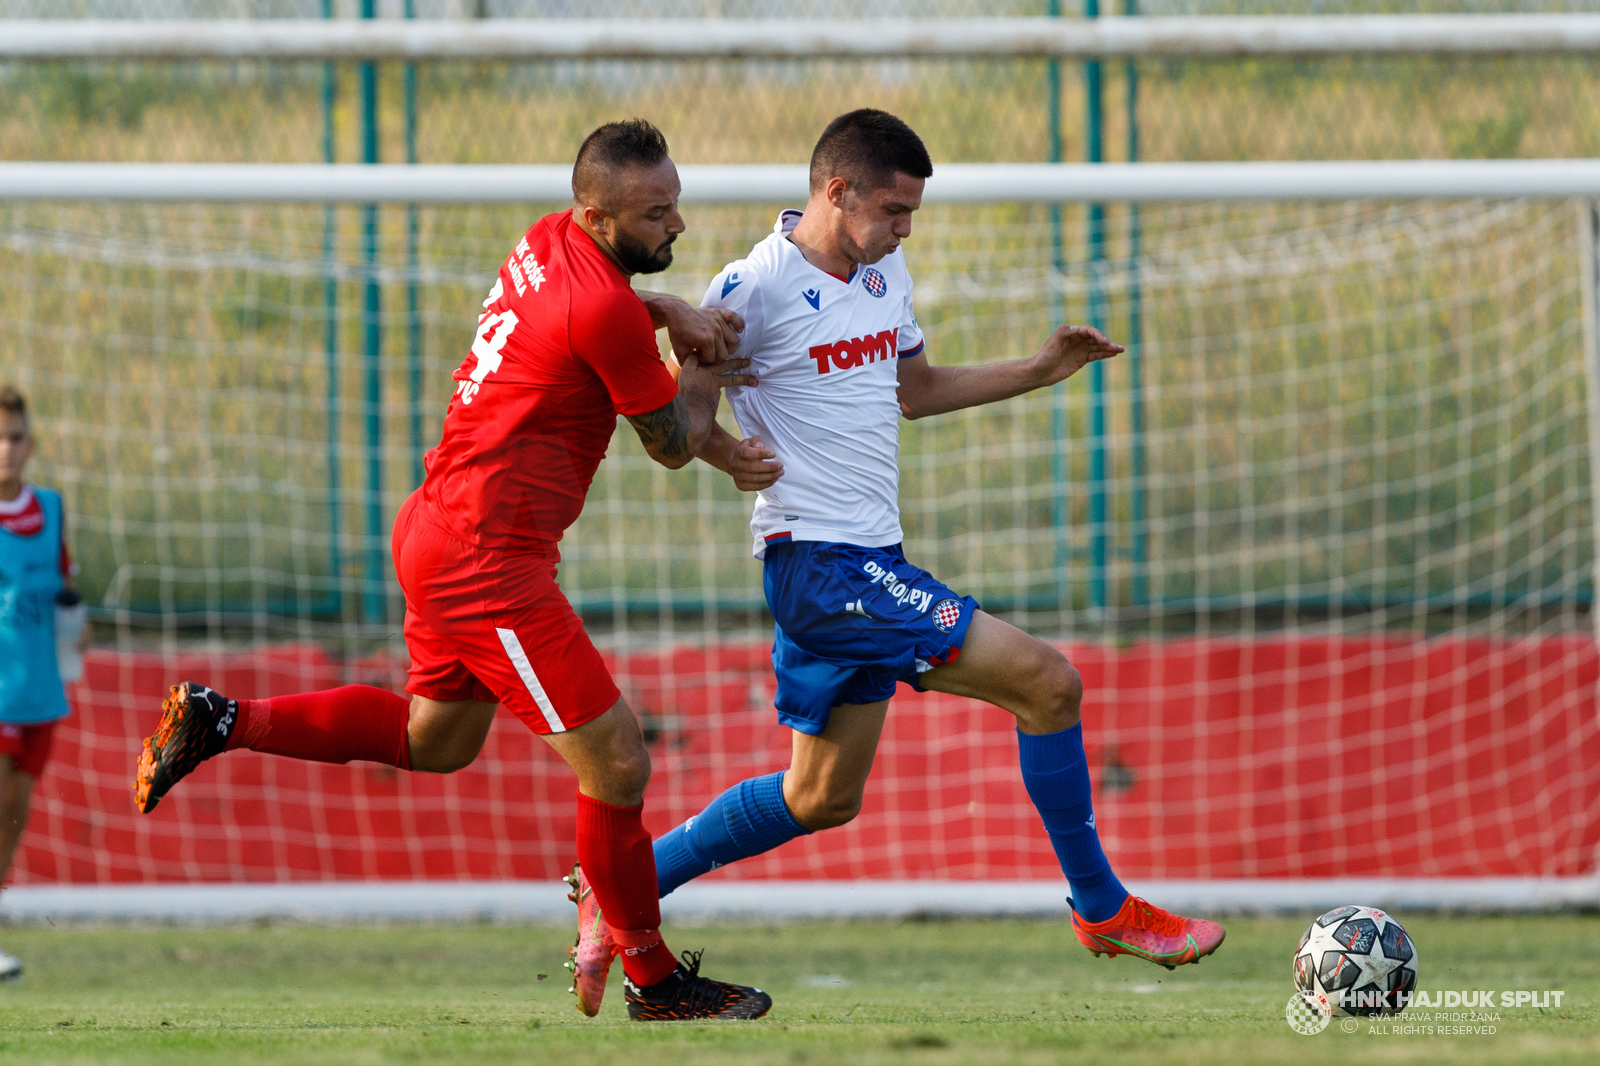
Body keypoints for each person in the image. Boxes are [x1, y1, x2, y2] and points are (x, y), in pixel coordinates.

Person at [565, 110, 1227, 1012]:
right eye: (894, 210)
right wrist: (716, 427)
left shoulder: (884, 272)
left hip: (867, 558)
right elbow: (678, 437)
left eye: (913, 212)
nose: (906, 228)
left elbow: (913, 391)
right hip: (819, 565)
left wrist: (1035, 371)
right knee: (1048, 683)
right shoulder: (749, 288)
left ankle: (620, 889)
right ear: (835, 193)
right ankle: (1101, 907)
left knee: (819, 797)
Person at [131, 120, 776, 1022]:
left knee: (438, 742)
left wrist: (667, 312)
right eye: (656, 213)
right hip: (487, 561)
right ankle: (653, 978)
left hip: (439, 528)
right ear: (597, 214)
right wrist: (705, 360)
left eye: (676, 203)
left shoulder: (550, 236)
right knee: (619, 761)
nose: (677, 226)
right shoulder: (600, 305)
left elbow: (606, 323)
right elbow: (669, 441)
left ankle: (223, 719)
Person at [0, 385, 90, 982]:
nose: (5, 448)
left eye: (14, 437)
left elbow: (63, 585)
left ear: (29, 444)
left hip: (40, 691)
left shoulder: (51, 508)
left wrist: (75, 624)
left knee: (14, 812)